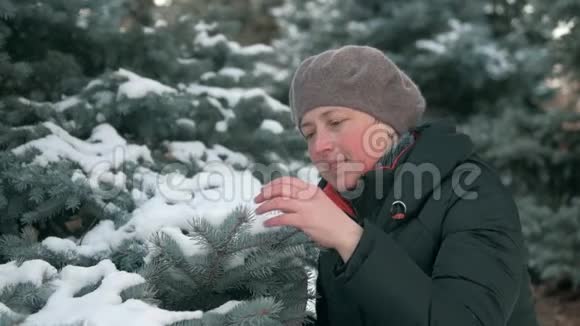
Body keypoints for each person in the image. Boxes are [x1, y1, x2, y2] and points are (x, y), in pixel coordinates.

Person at [253, 45, 539, 325]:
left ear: (387, 124)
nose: (320, 146)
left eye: (336, 122)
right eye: (309, 133)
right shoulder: (342, 207)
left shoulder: (471, 192)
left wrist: (351, 239)